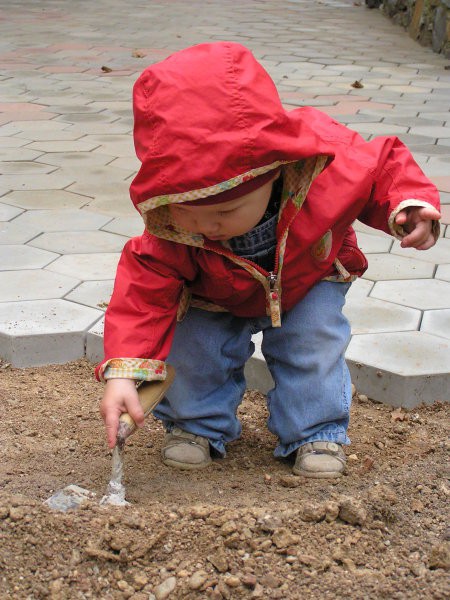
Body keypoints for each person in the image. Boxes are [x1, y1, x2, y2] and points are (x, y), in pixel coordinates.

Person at [97, 42, 440, 478]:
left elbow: (380, 166)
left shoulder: (325, 162)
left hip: (307, 276)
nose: (210, 227)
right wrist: (124, 372)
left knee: (312, 346)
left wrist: (407, 205)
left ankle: (315, 430)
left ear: (276, 170)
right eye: (191, 214)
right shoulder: (173, 229)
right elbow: (141, 299)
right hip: (211, 290)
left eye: (224, 213)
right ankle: (195, 426)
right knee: (197, 350)